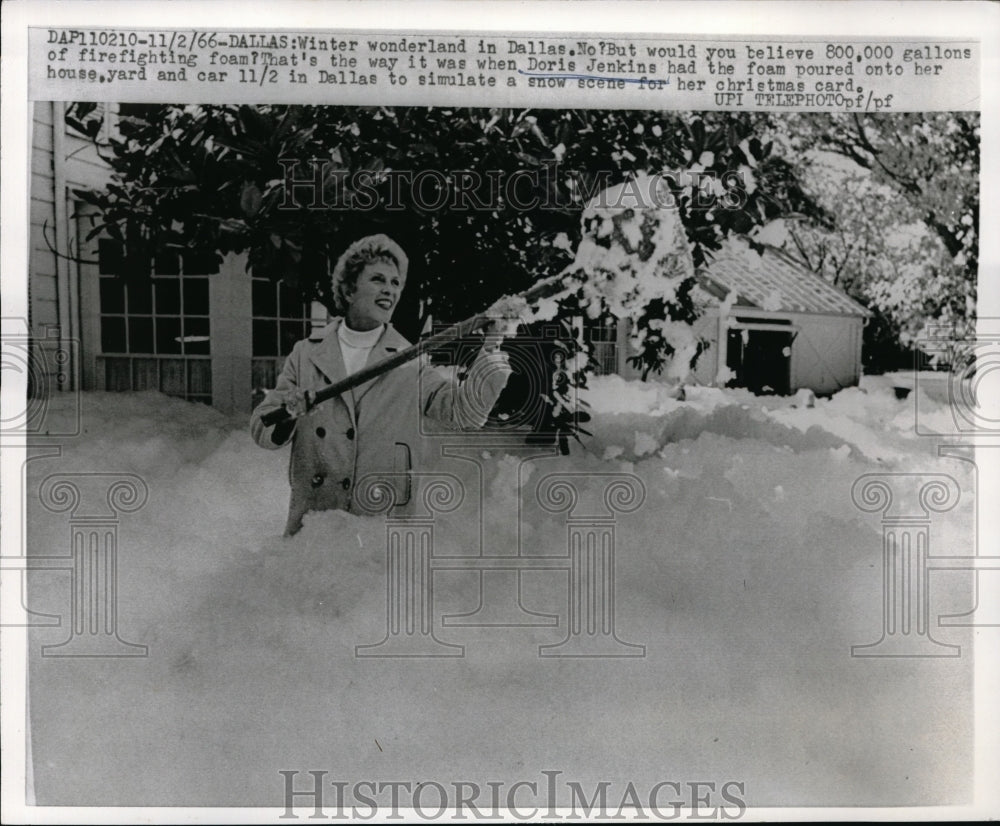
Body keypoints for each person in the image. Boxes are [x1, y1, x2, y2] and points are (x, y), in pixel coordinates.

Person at [251, 234, 512, 536]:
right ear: (349, 290)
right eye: (378, 279)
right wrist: (289, 411)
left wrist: (492, 344)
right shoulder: (307, 354)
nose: (389, 289)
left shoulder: (408, 361)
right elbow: (262, 428)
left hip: (379, 528)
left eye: (395, 282)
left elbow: (464, 412)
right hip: (315, 527)